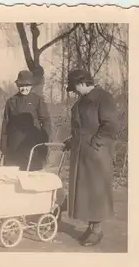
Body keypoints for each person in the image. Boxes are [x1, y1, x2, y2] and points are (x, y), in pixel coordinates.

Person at [64, 69, 118, 246]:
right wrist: (72, 141)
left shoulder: (103, 98)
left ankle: (97, 230)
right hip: (83, 153)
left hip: (97, 153)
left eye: (75, 87)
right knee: (86, 193)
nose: (74, 91)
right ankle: (91, 226)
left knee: (96, 192)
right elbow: (80, 128)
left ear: (82, 83)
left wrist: (96, 143)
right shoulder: (81, 103)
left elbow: (110, 125)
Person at [0, 70, 51, 171]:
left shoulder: (37, 100)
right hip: (14, 146)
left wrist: (44, 143)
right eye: (21, 86)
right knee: (13, 176)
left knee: (31, 176)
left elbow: (46, 122)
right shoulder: (11, 101)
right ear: (18, 86)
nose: (24, 88)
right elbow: (5, 124)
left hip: (32, 145)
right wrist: (3, 146)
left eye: (27, 85)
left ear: (31, 86)